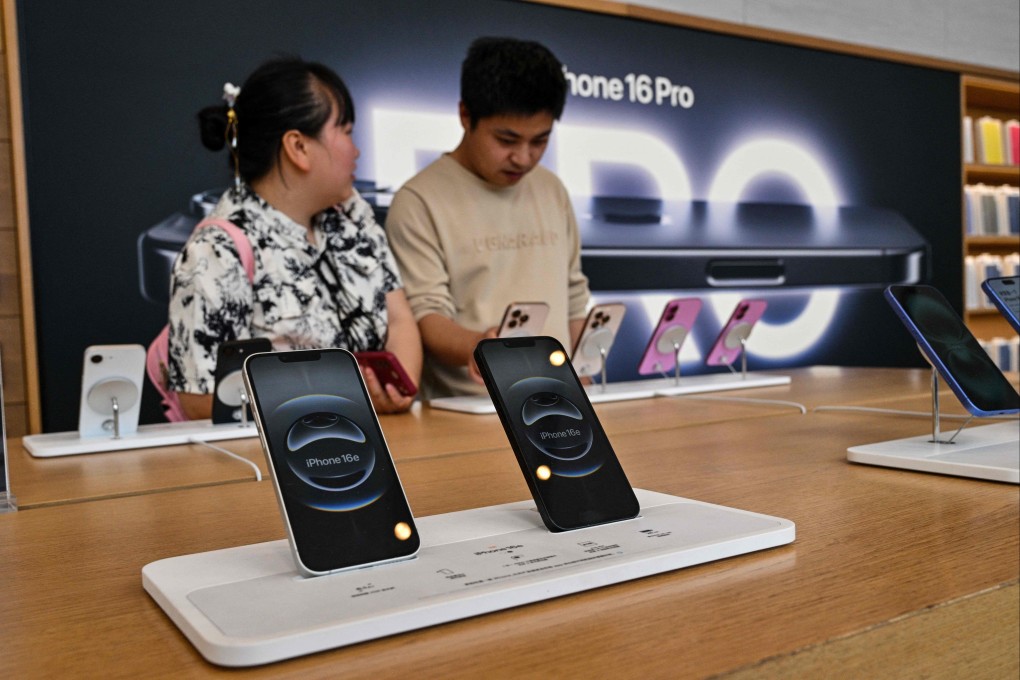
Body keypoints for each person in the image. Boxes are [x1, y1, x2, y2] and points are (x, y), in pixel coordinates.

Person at [168, 57, 421, 417]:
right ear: (298, 147)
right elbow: (199, 400)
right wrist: (340, 398)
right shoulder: (217, 250)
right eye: (346, 132)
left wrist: (397, 389)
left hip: (384, 439)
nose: (356, 150)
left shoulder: (353, 215)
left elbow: (400, 319)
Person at [385, 37, 591, 399]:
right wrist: (479, 346)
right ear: (465, 115)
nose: (524, 158)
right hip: (470, 410)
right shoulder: (418, 201)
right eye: (506, 140)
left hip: (561, 402)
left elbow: (573, 298)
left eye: (540, 141)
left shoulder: (552, 189)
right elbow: (426, 318)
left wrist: (585, 375)